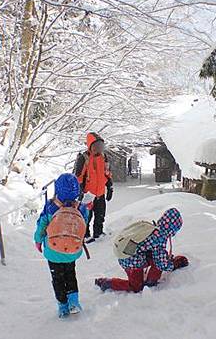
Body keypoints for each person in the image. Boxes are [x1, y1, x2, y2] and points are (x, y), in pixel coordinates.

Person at [34, 173, 89, 318]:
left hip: (53, 250)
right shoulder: (82, 208)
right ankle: (74, 302)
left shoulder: (51, 207)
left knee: (57, 278)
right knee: (71, 274)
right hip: (72, 250)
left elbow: (41, 226)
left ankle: (63, 307)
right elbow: (83, 227)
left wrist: (38, 241)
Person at [94, 208, 188, 292]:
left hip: (125, 253)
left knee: (158, 257)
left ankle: (151, 280)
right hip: (131, 261)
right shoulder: (160, 238)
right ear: (172, 229)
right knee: (136, 287)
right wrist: (172, 265)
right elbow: (161, 264)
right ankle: (108, 283)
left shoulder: (152, 227)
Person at [73, 132, 113, 242]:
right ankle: (85, 235)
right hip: (88, 194)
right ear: (90, 145)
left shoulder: (104, 157)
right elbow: (79, 177)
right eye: (96, 146)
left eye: (101, 146)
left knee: (100, 215)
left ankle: (98, 233)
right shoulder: (84, 158)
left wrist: (110, 186)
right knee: (86, 216)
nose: (99, 148)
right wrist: (80, 192)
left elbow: (107, 173)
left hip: (100, 192)